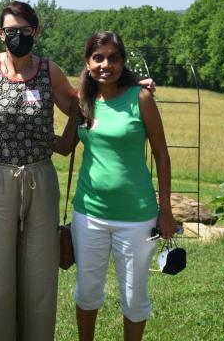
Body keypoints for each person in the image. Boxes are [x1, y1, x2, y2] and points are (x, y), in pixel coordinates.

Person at [0, 0, 82, 341]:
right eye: (11, 31)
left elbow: (80, 106)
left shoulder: (50, 70)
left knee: (39, 269)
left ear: (37, 31)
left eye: (25, 30)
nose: (18, 36)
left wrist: (63, 143)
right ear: (1, 33)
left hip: (40, 176)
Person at [65, 31, 175, 341]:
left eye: (113, 57)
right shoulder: (83, 101)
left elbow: (162, 155)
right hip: (89, 214)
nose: (105, 64)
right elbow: (63, 146)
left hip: (137, 218)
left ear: (123, 62)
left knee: (134, 295)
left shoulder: (139, 98)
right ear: (87, 62)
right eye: (98, 58)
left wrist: (164, 211)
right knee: (87, 290)